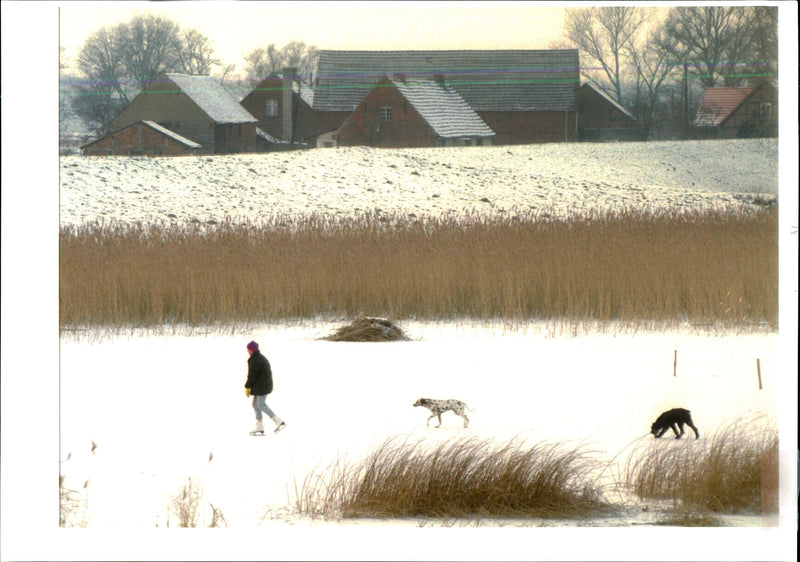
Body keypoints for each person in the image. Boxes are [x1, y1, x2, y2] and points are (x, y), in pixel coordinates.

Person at [244, 341, 286, 434]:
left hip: (262, 386)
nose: (247, 351)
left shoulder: (255, 360)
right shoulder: (257, 358)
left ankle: (278, 421)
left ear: (252, 350)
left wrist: (247, 386)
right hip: (261, 385)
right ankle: (259, 425)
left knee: (261, 405)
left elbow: (252, 375)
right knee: (255, 404)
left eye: (248, 349)